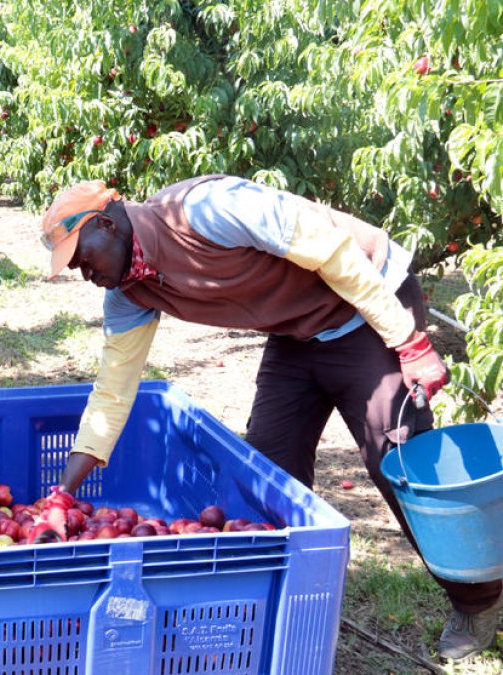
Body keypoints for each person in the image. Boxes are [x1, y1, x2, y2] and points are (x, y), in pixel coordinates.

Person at [31, 174, 502, 660]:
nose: (85, 274)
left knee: (399, 459)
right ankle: (283, 603)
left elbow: (332, 251)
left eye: (82, 259)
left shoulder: (205, 209)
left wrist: (411, 342)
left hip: (366, 305)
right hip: (298, 331)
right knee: (269, 473)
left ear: (107, 225)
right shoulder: (129, 292)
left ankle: (478, 600)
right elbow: (113, 390)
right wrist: (65, 491)